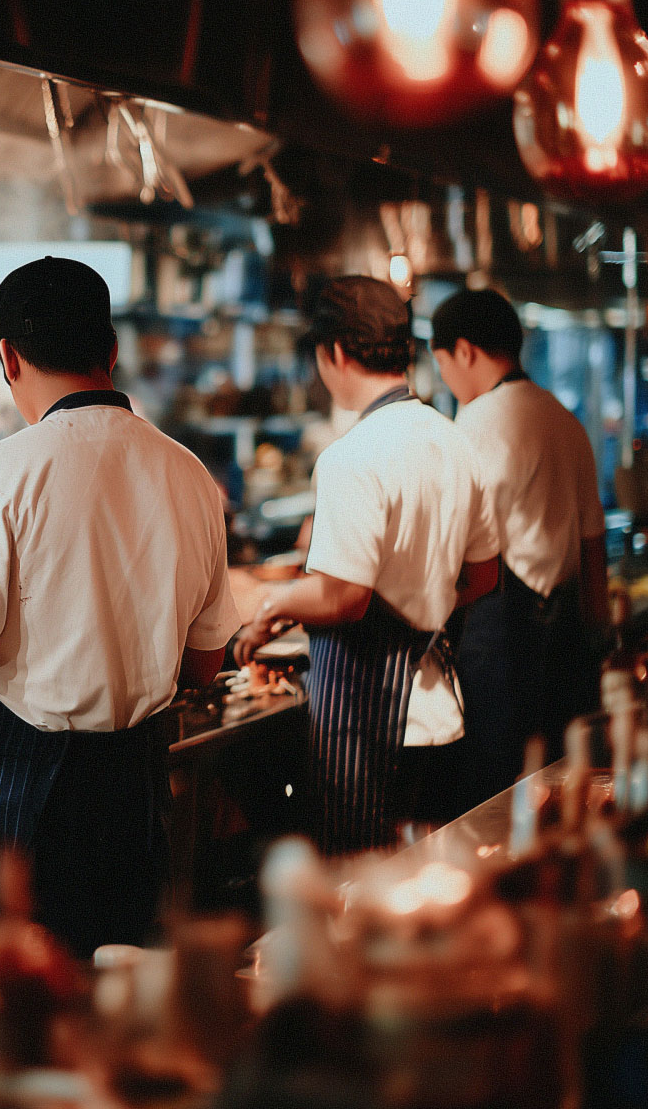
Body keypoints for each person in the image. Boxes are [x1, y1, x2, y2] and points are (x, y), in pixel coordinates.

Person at [0, 256, 239, 956]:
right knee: (117, 992)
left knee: (22, 1003)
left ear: (9, 358)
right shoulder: (190, 475)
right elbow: (206, 665)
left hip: (22, 794)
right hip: (137, 788)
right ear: (110, 351)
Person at [235, 276, 499, 855]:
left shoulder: (351, 455)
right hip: (440, 715)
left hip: (369, 727)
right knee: (425, 894)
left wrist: (271, 606)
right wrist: (421, 607)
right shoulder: (455, 442)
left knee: (356, 899)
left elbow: (341, 598)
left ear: (331, 354)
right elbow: (484, 577)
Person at [430, 287, 606, 804]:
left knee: (495, 791)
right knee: (561, 781)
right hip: (569, 633)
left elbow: (458, 542)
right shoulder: (566, 420)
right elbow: (593, 540)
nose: (444, 376)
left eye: (441, 362)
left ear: (464, 351)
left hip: (501, 633)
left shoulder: (477, 422)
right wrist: (600, 636)